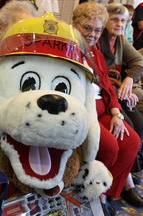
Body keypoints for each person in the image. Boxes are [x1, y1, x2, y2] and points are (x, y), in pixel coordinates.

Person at [72, 2, 142, 215]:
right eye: (87, 28)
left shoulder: (95, 50)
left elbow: (107, 87)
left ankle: (108, 192)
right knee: (110, 146)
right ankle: (93, 194)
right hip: (84, 110)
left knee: (132, 142)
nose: (93, 34)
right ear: (75, 24)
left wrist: (115, 112)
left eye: (97, 30)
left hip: (103, 109)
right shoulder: (69, 48)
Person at [97, 3, 143, 148]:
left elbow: (138, 60)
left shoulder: (121, 40)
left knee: (139, 124)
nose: (119, 24)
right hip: (103, 94)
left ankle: (135, 166)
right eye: (114, 19)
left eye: (123, 20)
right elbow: (98, 77)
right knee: (129, 126)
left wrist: (128, 81)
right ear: (104, 21)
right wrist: (120, 90)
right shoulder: (97, 39)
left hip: (117, 92)